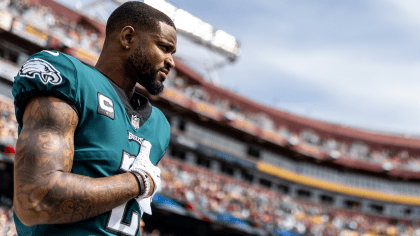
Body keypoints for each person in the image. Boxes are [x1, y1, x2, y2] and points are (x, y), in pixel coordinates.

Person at [11, 1, 176, 235]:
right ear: (128, 37)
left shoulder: (158, 126)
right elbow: (37, 199)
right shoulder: (72, 77)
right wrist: (139, 182)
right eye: (164, 47)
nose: (171, 61)